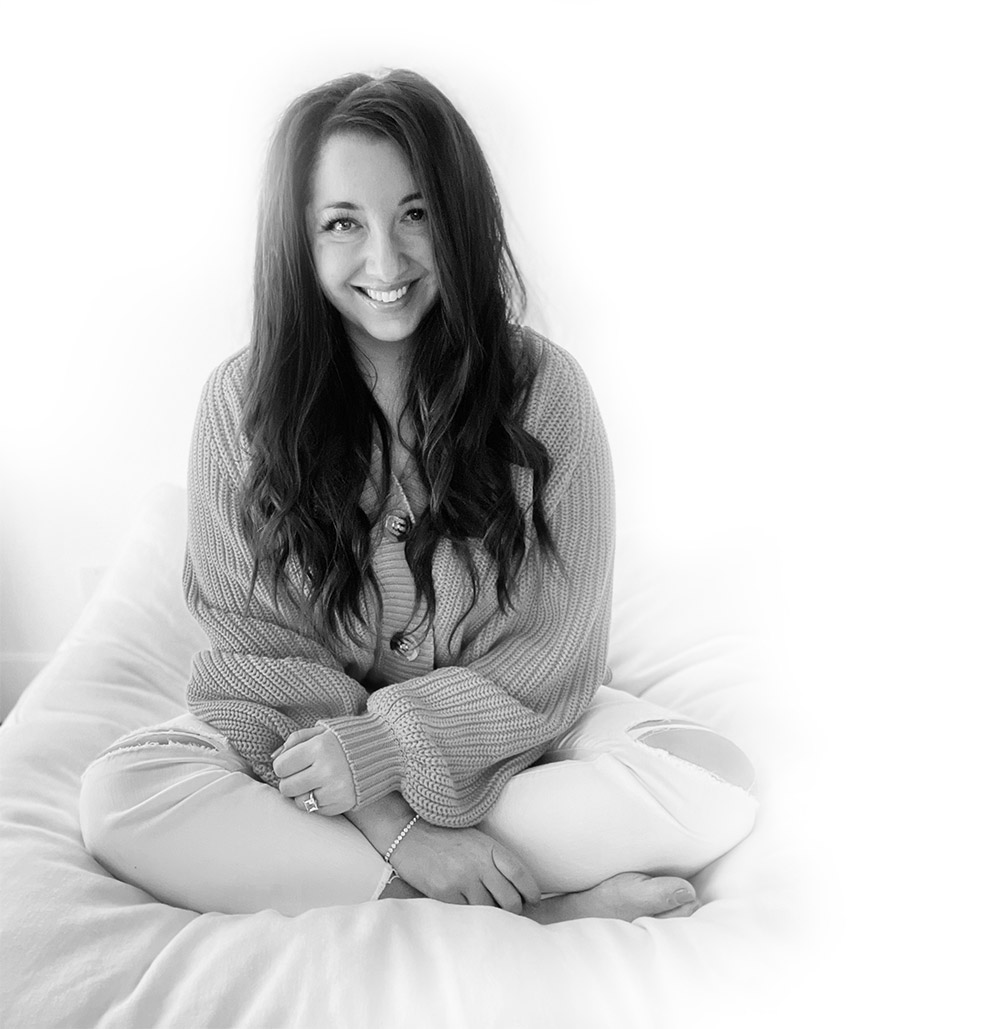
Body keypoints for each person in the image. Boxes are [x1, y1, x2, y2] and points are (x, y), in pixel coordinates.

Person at [79, 69, 758, 922]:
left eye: (415, 213)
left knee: (712, 781)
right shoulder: (239, 406)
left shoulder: (546, 393)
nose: (385, 261)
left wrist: (386, 746)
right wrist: (402, 831)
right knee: (121, 796)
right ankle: (527, 902)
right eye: (342, 224)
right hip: (311, 765)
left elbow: (551, 656)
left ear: (459, 219)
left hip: (513, 738)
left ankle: (411, 882)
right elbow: (261, 664)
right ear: (298, 239)